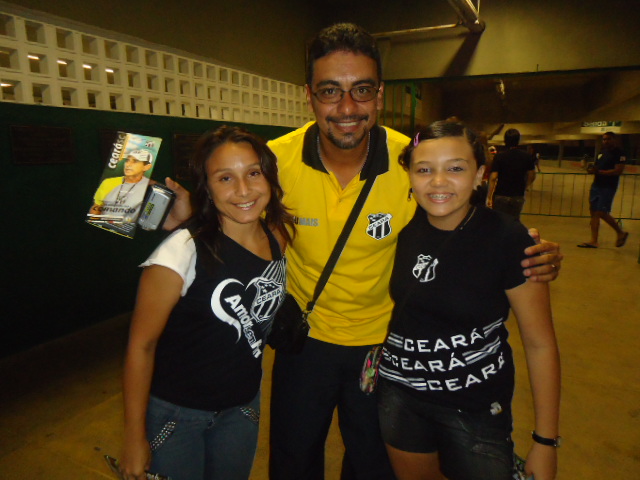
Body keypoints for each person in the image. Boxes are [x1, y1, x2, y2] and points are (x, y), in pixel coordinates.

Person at [163, 23, 563, 480]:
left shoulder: (409, 162)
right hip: (303, 345)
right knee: (293, 462)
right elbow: (234, 210)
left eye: (362, 90)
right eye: (331, 91)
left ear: (379, 94)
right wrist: (188, 217)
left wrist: (527, 250)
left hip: (383, 351)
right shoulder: (275, 163)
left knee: (373, 467)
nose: (347, 108)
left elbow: (460, 223)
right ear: (309, 95)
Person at [377, 120, 561, 480]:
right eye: (424, 169)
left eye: (456, 168)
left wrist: (545, 441)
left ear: (480, 174)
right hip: (400, 399)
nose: (439, 181)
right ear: (410, 176)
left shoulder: (509, 239)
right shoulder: (401, 227)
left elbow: (540, 345)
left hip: (476, 409)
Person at [119, 126, 294, 480]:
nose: (243, 190)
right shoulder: (179, 252)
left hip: (242, 409)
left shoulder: (277, 237)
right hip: (177, 416)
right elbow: (141, 346)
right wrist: (134, 436)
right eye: (225, 177)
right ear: (207, 188)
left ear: (270, 179)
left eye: (254, 173)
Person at [577, 131, 629, 248]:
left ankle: (620, 232)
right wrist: (591, 170)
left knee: (601, 212)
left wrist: (600, 172)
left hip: (608, 187)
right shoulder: (602, 152)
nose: (606, 141)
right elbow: (597, 166)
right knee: (594, 213)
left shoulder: (619, 153)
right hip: (596, 185)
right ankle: (593, 240)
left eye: (608, 139)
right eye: (604, 139)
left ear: (614, 140)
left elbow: (618, 171)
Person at [89, 149, 153, 222]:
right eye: (127, 160)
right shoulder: (108, 182)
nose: (128, 164)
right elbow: (96, 207)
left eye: (135, 161)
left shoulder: (149, 187)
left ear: (147, 167)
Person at [487, 128, 536, 222]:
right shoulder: (526, 156)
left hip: (501, 195)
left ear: (505, 140)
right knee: (514, 221)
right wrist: (526, 186)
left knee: (499, 222)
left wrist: (489, 196)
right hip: (517, 195)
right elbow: (532, 175)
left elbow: (493, 177)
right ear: (518, 140)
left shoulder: (499, 157)